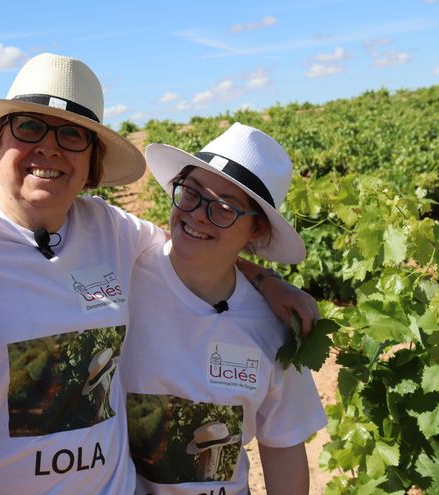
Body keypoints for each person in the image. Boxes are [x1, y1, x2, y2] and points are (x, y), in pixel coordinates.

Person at [0, 53, 320, 494]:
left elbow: (195, 247)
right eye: (28, 127)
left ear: (92, 164)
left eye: (72, 136)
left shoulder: (114, 231)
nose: (49, 147)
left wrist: (265, 281)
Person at [121, 125, 327, 494]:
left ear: (256, 232)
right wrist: (264, 277)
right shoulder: (123, 275)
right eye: (192, 195)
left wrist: (263, 281)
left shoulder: (274, 327)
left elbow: (282, 447)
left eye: (225, 209)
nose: (199, 215)